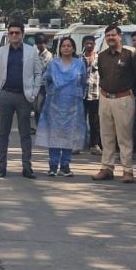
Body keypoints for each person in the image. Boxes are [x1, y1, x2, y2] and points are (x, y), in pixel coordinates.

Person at [0, 22, 41, 179]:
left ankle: (27, 167)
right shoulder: (0, 52)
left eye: (17, 33)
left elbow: (38, 74)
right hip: (5, 95)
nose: (14, 35)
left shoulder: (31, 51)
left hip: (24, 97)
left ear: (22, 34)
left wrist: (33, 93)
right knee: (3, 133)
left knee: (25, 134)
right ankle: (1, 167)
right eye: (11, 33)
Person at [93, 25, 136, 182]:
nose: (110, 38)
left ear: (120, 36)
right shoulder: (102, 56)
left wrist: (130, 94)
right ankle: (106, 168)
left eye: (113, 35)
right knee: (106, 135)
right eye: (108, 35)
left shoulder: (130, 54)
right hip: (105, 98)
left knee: (124, 136)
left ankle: (127, 170)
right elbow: (102, 76)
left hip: (124, 99)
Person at [34, 37, 89, 176]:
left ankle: (65, 166)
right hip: (55, 104)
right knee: (54, 134)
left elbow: (83, 82)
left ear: (73, 48)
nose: (66, 48)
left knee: (69, 135)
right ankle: (53, 166)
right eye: (63, 46)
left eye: (69, 45)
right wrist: (53, 93)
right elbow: (47, 81)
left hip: (73, 105)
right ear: (60, 48)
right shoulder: (54, 64)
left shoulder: (79, 64)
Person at [81, 35, 101, 155]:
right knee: (80, 120)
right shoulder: (79, 59)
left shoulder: (100, 58)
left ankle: (94, 145)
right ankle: (79, 143)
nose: (89, 45)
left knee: (94, 121)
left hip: (95, 94)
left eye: (91, 43)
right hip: (81, 94)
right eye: (87, 43)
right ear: (83, 44)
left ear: (94, 44)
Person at [31, 35, 52, 134]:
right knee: (35, 108)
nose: (39, 46)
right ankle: (39, 128)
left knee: (40, 107)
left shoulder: (48, 55)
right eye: (38, 44)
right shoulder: (36, 54)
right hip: (35, 85)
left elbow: (42, 68)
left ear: (45, 43)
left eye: (41, 43)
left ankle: (43, 129)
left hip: (43, 86)